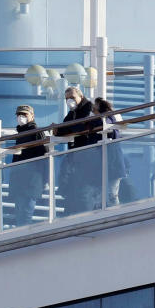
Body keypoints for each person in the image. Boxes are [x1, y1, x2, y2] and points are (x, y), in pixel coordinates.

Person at [54, 86, 101, 215]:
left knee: (85, 194)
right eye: (67, 99)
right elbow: (65, 128)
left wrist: (69, 128)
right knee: (74, 194)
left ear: (81, 96)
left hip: (90, 158)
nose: (70, 101)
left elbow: (81, 126)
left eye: (72, 98)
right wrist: (57, 129)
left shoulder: (89, 108)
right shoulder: (72, 113)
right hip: (77, 160)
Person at [7, 105, 48, 227]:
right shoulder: (20, 134)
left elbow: (44, 157)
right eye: (19, 115)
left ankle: (24, 241)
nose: (21, 117)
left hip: (31, 181)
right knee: (21, 215)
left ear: (32, 116)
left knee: (25, 215)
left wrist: (44, 180)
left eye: (24, 114)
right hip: (20, 181)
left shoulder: (36, 132)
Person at [94, 98, 127, 205]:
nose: (93, 109)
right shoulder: (111, 117)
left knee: (111, 194)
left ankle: (116, 214)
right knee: (104, 194)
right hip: (110, 163)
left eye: (95, 106)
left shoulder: (108, 118)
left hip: (113, 163)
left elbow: (105, 126)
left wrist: (97, 116)